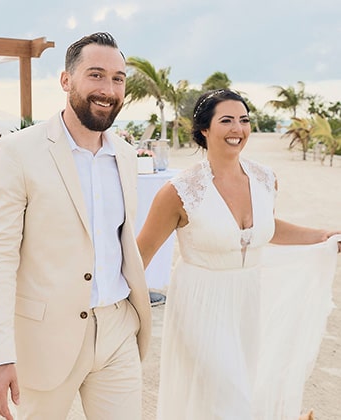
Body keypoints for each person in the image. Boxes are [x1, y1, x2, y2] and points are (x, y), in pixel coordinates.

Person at [0, 32, 151, 420]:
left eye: (118, 78)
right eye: (96, 75)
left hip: (118, 329)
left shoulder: (124, 154)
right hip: (44, 338)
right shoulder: (17, 151)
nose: (108, 89)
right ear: (65, 80)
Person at [137, 89, 341, 420]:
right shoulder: (179, 192)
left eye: (244, 120)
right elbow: (140, 254)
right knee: (230, 402)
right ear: (204, 129)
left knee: (232, 396)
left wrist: (320, 236)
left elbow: (265, 228)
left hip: (246, 301)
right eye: (227, 120)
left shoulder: (265, 179)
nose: (238, 129)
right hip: (199, 304)